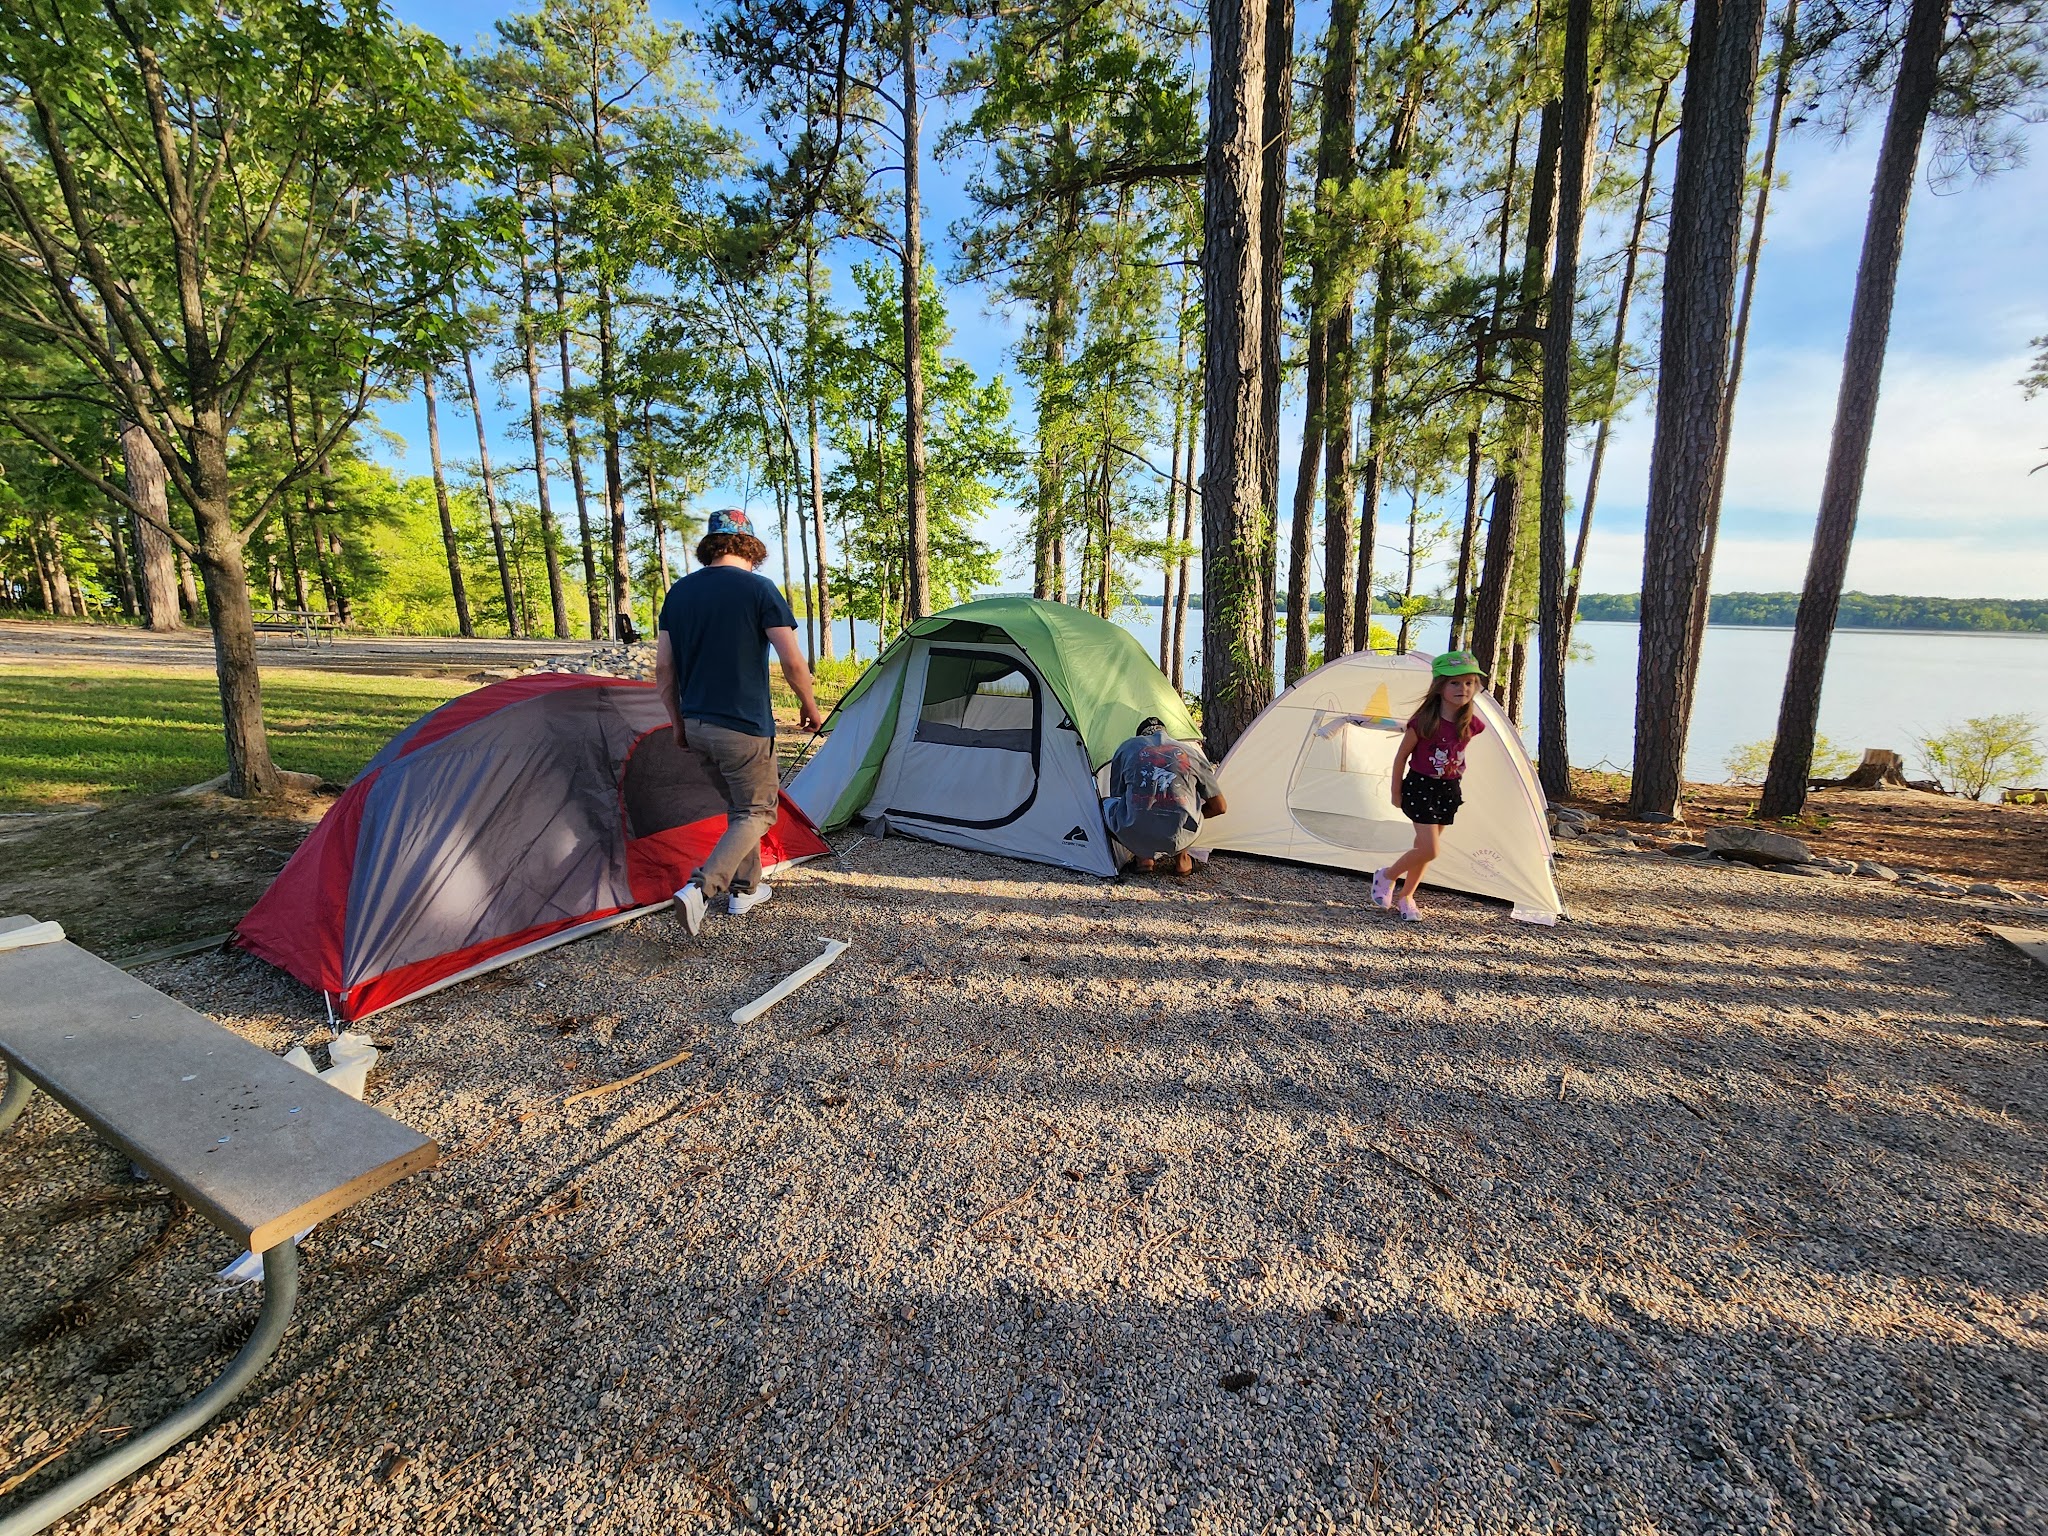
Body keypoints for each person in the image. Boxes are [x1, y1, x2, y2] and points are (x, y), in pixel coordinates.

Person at [655, 508, 825, 935]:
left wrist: (677, 722)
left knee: (740, 809)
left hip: (697, 723)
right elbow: (792, 660)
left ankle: (745, 890)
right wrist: (810, 705)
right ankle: (702, 887)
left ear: (710, 547)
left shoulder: (679, 593)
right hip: (743, 726)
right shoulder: (759, 589)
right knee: (758, 811)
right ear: (752, 549)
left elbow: (664, 668)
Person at [1375, 651, 1488, 921]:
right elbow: (1401, 757)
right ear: (1439, 686)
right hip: (1421, 788)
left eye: (1469, 683)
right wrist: (1395, 791)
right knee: (1430, 849)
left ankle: (1407, 897)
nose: (1463, 688)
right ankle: (1387, 875)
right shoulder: (1424, 722)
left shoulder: (1471, 724)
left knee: (1422, 849)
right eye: (1454, 683)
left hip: (1449, 790)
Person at [1102, 716, 1227, 876]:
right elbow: (1220, 807)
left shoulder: (1126, 748)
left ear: (1140, 736)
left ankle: (1143, 859)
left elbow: (1118, 796)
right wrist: (1188, 816)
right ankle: (1182, 861)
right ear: (1167, 734)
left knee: (1107, 804)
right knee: (1187, 800)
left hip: (1136, 829)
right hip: (1180, 833)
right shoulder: (1191, 753)